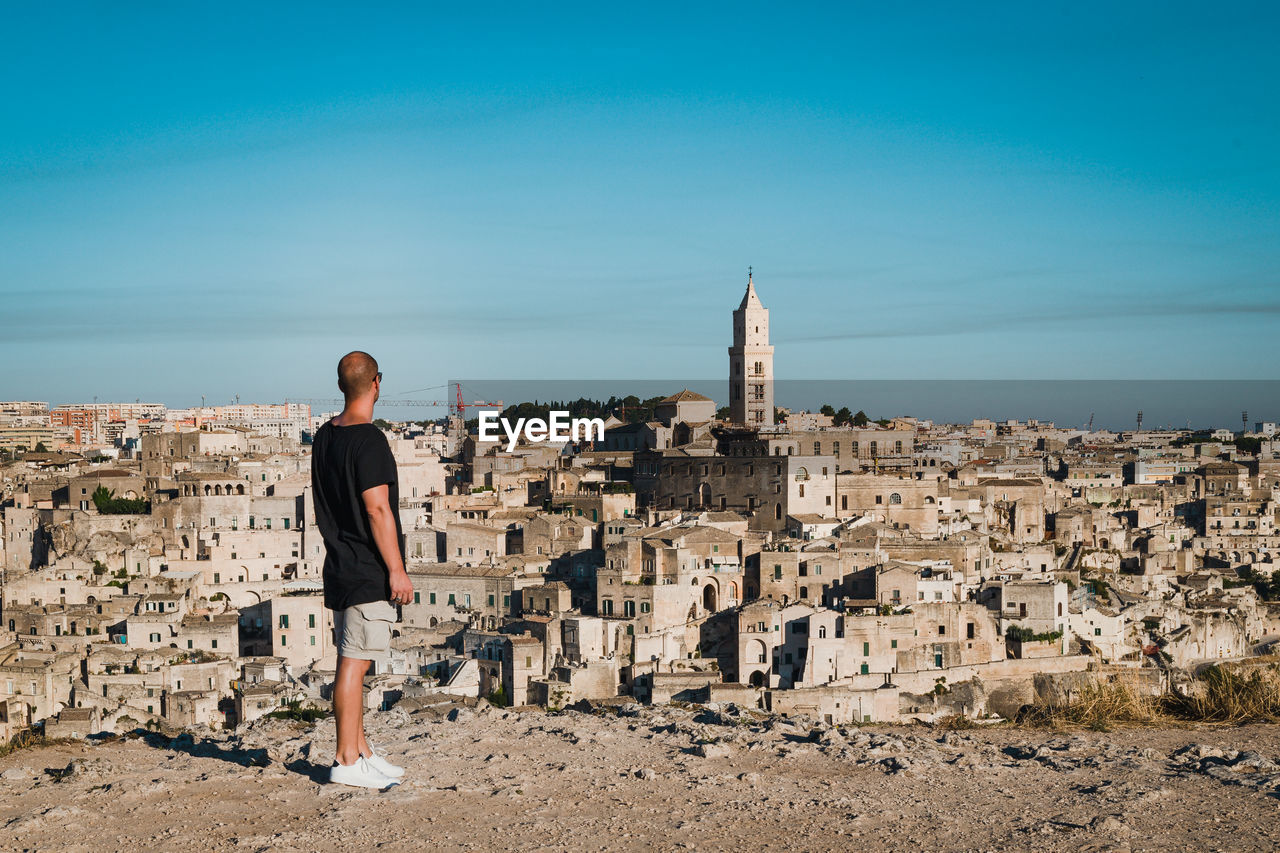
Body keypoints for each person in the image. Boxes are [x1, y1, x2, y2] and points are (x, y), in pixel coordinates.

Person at [310, 351, 414, 789]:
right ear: (377, 383)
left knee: (355, 660)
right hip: (366, 568)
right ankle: (346, 760)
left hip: (338, 564)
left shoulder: (323, 436)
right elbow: (377, 509)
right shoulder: (370, 441)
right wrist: (397, 569)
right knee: (352, 667)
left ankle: (364, 751)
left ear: (340, 387)